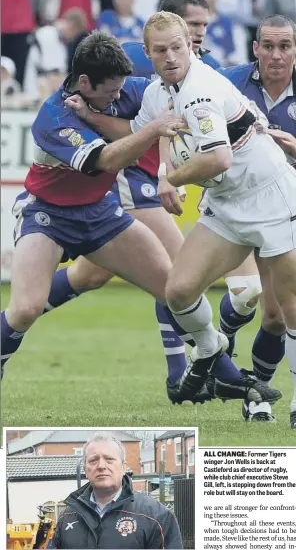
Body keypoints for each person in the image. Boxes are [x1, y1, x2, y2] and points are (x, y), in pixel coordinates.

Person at [118, 10, 296, 409]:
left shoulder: (199, 88)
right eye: (160, 50)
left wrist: (170, 178)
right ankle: (211, 348)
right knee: (178, 291)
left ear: (190, 46)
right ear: (148, 53)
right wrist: (86, 119)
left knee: (286, 309)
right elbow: (151, 132)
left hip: (272, 195)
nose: (170, 57)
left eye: (177, 47)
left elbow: (217, 159)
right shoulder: (156, 92)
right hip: (227, 203)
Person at [0, 31, 187, 381]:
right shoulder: (59, 111)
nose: (197, 36)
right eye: (192, 26)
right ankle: (193, 369)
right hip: (56, 207)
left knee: (165, 283)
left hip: (101, 203)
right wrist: (154, 138)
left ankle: (210, 370)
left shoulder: (178, 72)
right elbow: (104, 158)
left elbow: (168, 109)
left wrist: (166, 170)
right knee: (26, 307)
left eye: (199, 30)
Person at [216, 15, 296, 425]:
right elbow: (178, 106)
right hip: (232, 206)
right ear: (255, 48)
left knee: (276, 314)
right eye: (268, 46)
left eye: (285, 46)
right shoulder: (227, 82)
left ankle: (256, 395)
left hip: (284, 212)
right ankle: (222, 333)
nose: (276, 55)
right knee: (246, 294)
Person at [51, 433, 183, 549]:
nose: (101, 466)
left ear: (124, 467)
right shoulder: (67, 517)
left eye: (109, 459)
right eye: (93, 460)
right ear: (85, 470)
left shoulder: (156, 516)